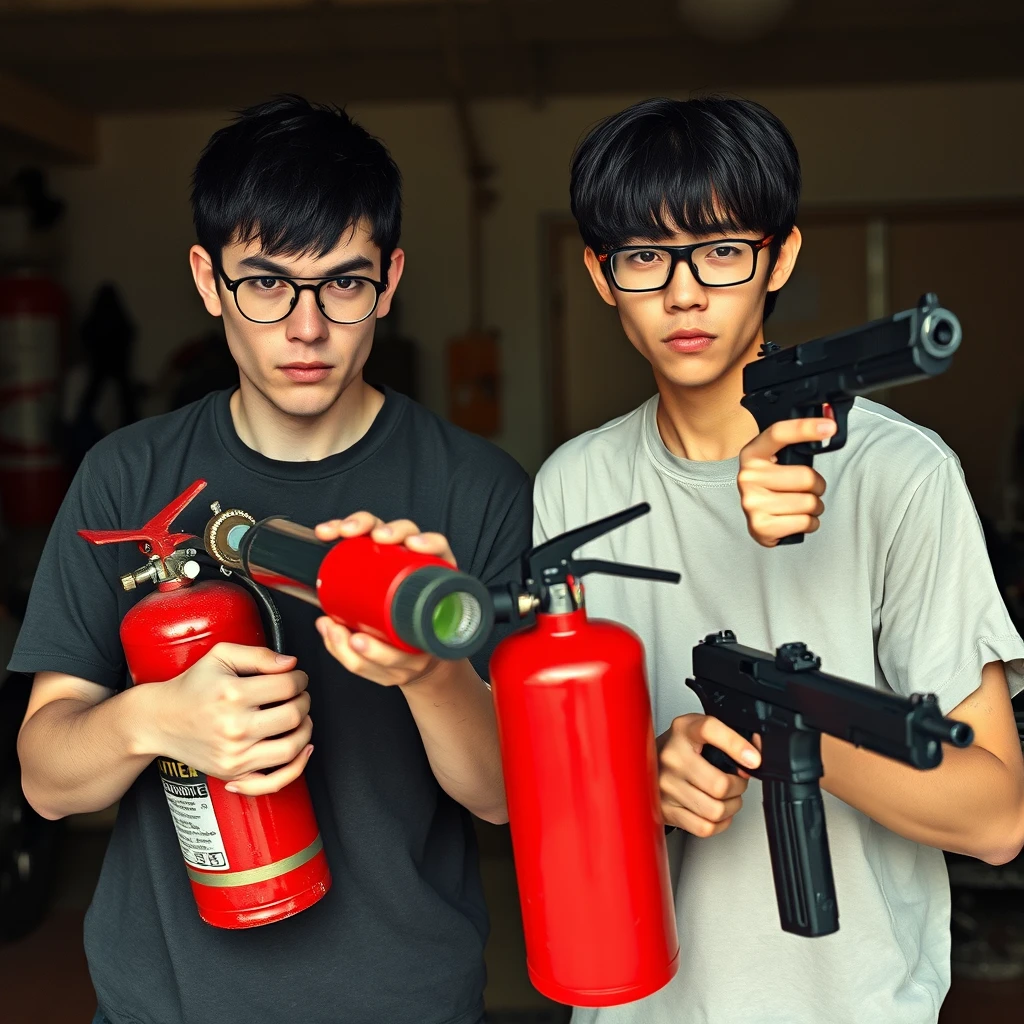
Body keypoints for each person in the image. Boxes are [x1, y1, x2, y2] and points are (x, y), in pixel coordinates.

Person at [12, 95, 531, 1024]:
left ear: (391, 278)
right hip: (163, 1004)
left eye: (343, 283)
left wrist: (428, 674)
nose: (305, 327)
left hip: (402, 1003)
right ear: (208, 281)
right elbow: (46, 783)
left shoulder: (474, 488)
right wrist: (156, 718)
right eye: (265, 283)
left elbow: (502, 801)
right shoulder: (125, 477)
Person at [534, 96, 1024, 1023]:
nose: (685, 294)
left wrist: (794, 737)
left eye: (722, 251)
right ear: (601, 275)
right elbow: (547, 796)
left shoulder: (902, 476)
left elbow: (997, 814)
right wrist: (643, 771)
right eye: (645, 257)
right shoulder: (575, 486)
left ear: (780, 257)